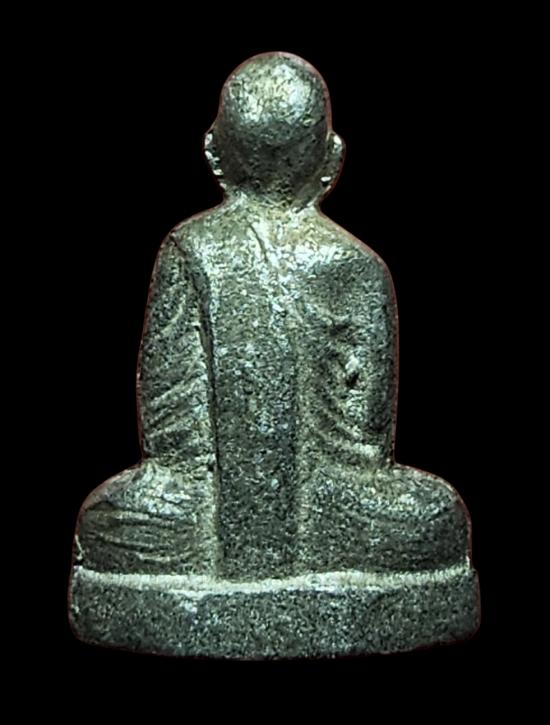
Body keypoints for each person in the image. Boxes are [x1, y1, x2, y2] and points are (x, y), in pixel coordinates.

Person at [74, 52, 470, 583]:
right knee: (435, 516)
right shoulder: (359, 267)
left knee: (109, 517)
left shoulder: (188, 249)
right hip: (329, 506)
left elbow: (166, 424)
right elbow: (366, 441)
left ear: (213, 153)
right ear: (332, 159)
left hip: (243, 504)